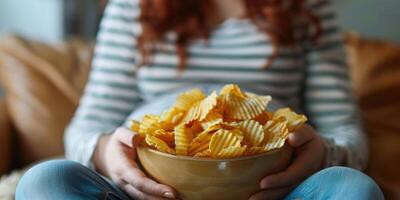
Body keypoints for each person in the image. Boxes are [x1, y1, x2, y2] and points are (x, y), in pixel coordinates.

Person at [16, 0, 384, 199]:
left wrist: (324, 152)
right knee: (46, 181)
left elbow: (345, 130)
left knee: (354, 188)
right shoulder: (134, 6)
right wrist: (107, 154)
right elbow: (85, 128)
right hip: (153, 192)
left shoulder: (305, 7)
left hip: (267, 193)